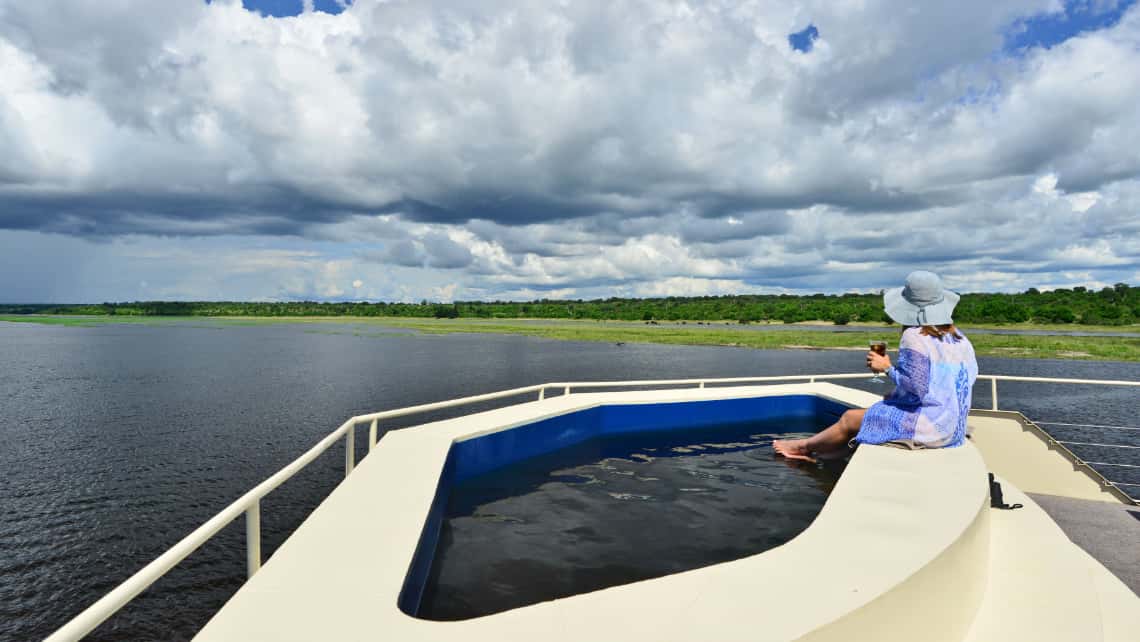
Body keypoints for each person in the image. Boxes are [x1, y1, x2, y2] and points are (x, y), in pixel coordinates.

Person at [774, 271, 978, 462]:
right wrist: (899, 394)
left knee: (849, 418)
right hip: (953, 428)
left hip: (929, 429)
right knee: (877, 410)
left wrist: (887, 367)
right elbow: (958, 382)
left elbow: (918, 387)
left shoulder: (914, 336)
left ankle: (802, 447)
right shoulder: (959, 338)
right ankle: (824, 458)